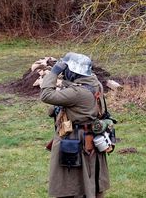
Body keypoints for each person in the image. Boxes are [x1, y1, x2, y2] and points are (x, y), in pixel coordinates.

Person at [40, 52, 110, 198]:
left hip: (75, 139)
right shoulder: (95, 84)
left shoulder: (77, 93)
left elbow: (46, 95)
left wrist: (54, 72)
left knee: (71, 182)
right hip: (88, 137)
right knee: (87, 178)